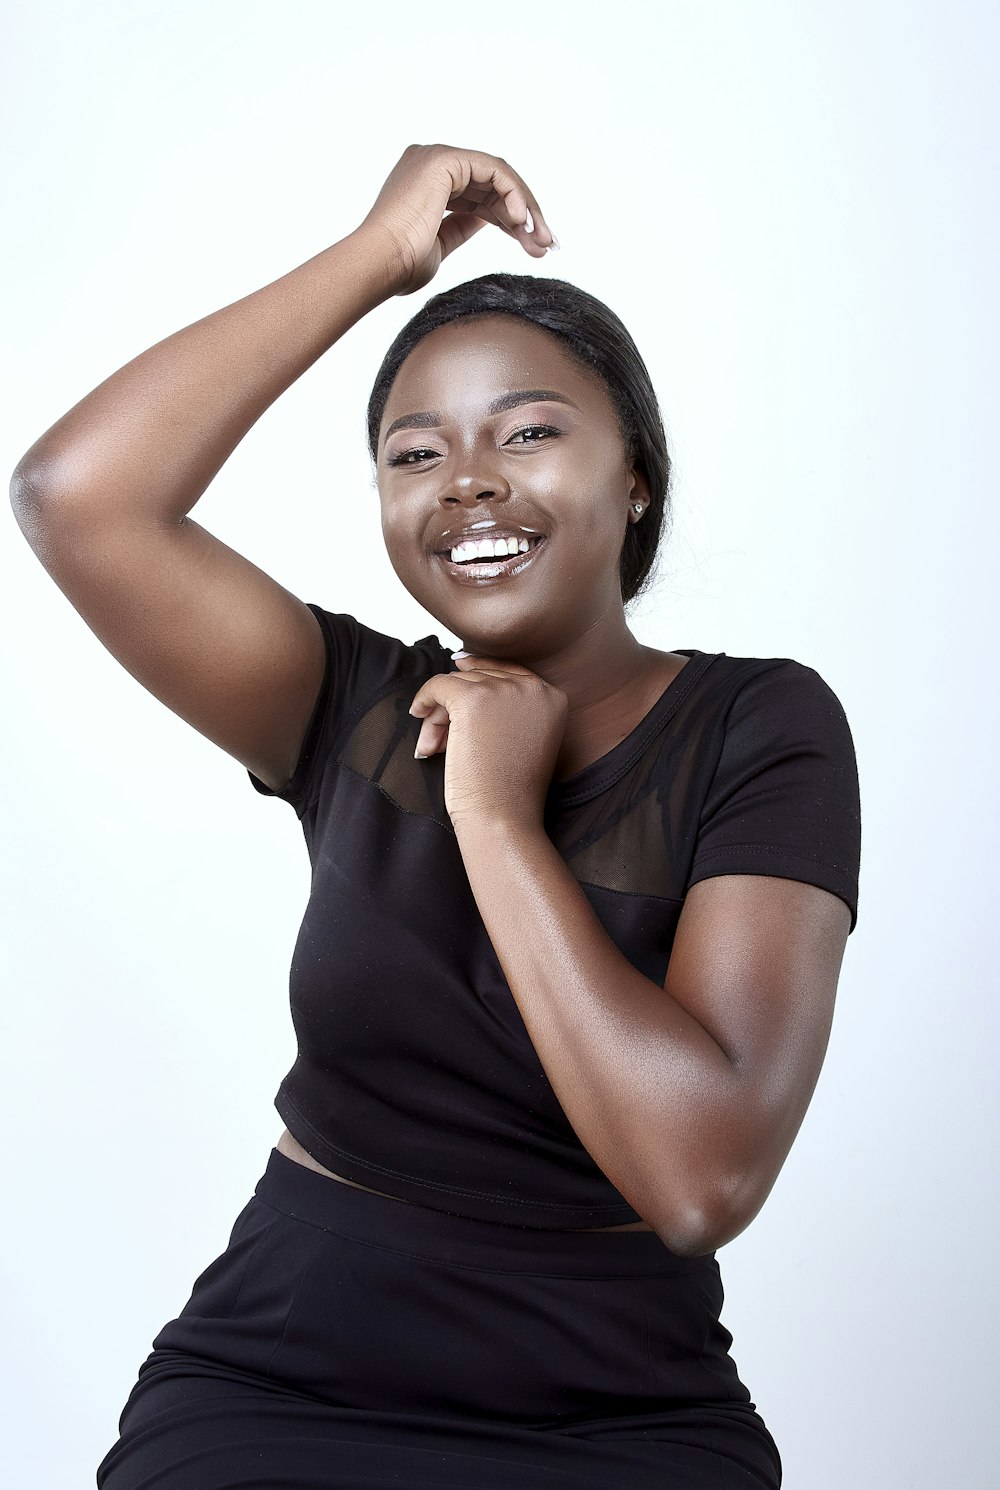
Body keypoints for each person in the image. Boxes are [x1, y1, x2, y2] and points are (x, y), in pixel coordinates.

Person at [11, 144, 861, 1489]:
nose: (467, 479)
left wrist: (498, 817)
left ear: (634, 473)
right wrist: (377, 258)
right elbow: (76, 498)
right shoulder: (349, 701)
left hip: (616, 1406)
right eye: (417, 452)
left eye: (528, 431)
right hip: (281, 1370)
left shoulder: (763, 729)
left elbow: (702, 1178)